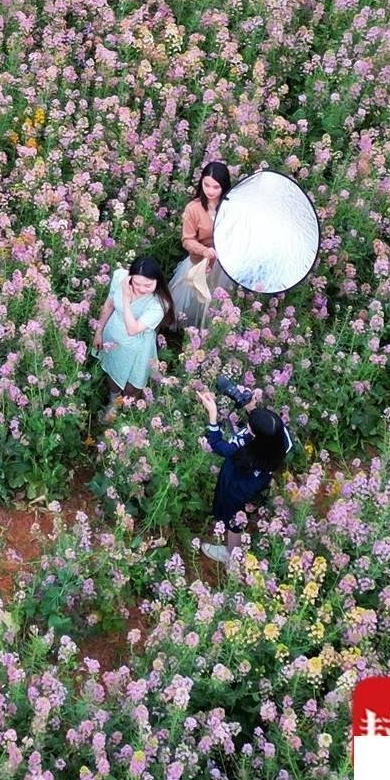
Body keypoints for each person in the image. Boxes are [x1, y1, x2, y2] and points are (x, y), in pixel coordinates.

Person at [195, 386, 291, 568]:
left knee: (234, 518)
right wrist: (251, 407)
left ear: (255, 437)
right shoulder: (279, 439)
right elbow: (266, 427)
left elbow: (217, 444)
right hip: (256, 481)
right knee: (241, 511)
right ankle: (234, 547)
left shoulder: (242, 448)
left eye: (250, 427)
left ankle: (232, 554)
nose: (247, 428)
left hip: (237, 485)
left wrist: (212, 414)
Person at [93, 256, 175, 403]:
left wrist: (126, 299)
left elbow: (133, 329)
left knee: (132, 386)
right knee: (112, 374)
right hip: (113, 335)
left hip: (138, 346)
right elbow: (108, 306)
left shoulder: (159, 303)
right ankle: (113, 404)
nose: (141, 289)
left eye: (148, 285)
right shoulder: (120, 277)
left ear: (158, 281)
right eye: (137, 283)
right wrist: (99, 332)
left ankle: (127, 410)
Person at [169, 161, 235, 328]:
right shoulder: (194, 208)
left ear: (224, 187)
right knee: (193, 298)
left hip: (223, 266)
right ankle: (186, 332)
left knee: (217, 301)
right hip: (199, 262)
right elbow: (187, 239)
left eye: (216, 187)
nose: (210, 191)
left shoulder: (231, 207)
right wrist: (204, 251)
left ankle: (210, 333)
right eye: (206, 185)